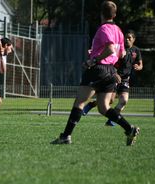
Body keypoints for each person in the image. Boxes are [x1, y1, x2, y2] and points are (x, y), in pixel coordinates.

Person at [51, 1, 140, 146]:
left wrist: (94, 59)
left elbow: (111, 49)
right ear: (115, 14)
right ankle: (129, 129)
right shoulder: (118, 30)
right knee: (104, 108)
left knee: (79, 102)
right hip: (110, 71)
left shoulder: (103, 28)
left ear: (101, 14)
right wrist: (105, 60)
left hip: (99, 69)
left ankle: (65, 136)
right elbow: (122, 53)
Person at [83, 30, 143, 126]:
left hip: (125, 80)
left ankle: (111, 119)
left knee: (123, 101)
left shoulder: (136, 50)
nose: (126, 39)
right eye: (125, 37)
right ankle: (91, 105)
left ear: (134, 40)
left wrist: (138, 67)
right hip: (114, 76)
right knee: (109, 101)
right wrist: (93, 52)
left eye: (129, 38)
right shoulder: (119, 48)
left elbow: (141, 65)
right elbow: (109, 59)